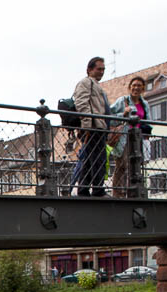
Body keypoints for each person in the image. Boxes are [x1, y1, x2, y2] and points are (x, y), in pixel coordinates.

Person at [108, 76, 152, 197]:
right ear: (129, 87)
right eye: (134, 85)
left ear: (143, 88)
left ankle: (133, 190)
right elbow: (109, 117)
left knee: (135, 165)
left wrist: (146, 131)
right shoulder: (122, 101)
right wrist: (123, 114)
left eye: (139, 85)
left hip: (138, 138)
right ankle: (118, 193)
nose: (136, 88)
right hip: (124, 136)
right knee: (122, 164)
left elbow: (148, 121)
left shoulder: (144, 104)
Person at [73, 57, 110, 197]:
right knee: (97, 159)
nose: (101, 72)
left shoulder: (95, 84)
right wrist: (87, 126)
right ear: (89, 69)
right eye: (98, 69)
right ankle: (97, 189)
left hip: (98, 126)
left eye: (103, 69)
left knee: (90, 159)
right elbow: (82, 104)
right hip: (93, 127)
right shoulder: (85, 83)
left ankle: (84, 189)